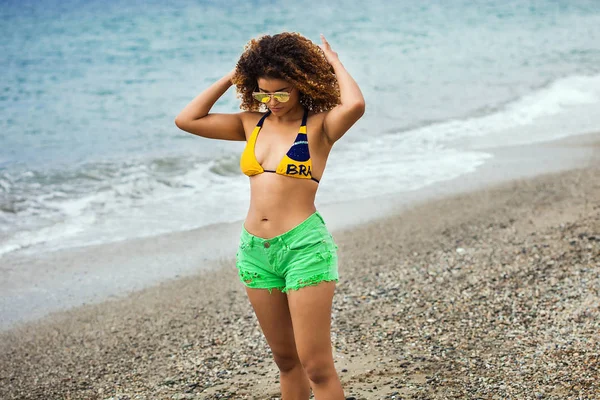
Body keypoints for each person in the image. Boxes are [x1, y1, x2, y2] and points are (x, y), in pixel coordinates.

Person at [175, 32, 365, 400]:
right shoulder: (251, 123)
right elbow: (187, 119)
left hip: (304, 248)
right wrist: (235, 74)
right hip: (255, 252)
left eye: (281, 93)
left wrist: (334, 62)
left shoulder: (321, 126)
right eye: (263, 93)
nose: (272, 101)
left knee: (317, 366)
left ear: (300, 85)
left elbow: (355, 105)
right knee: (286, 361)